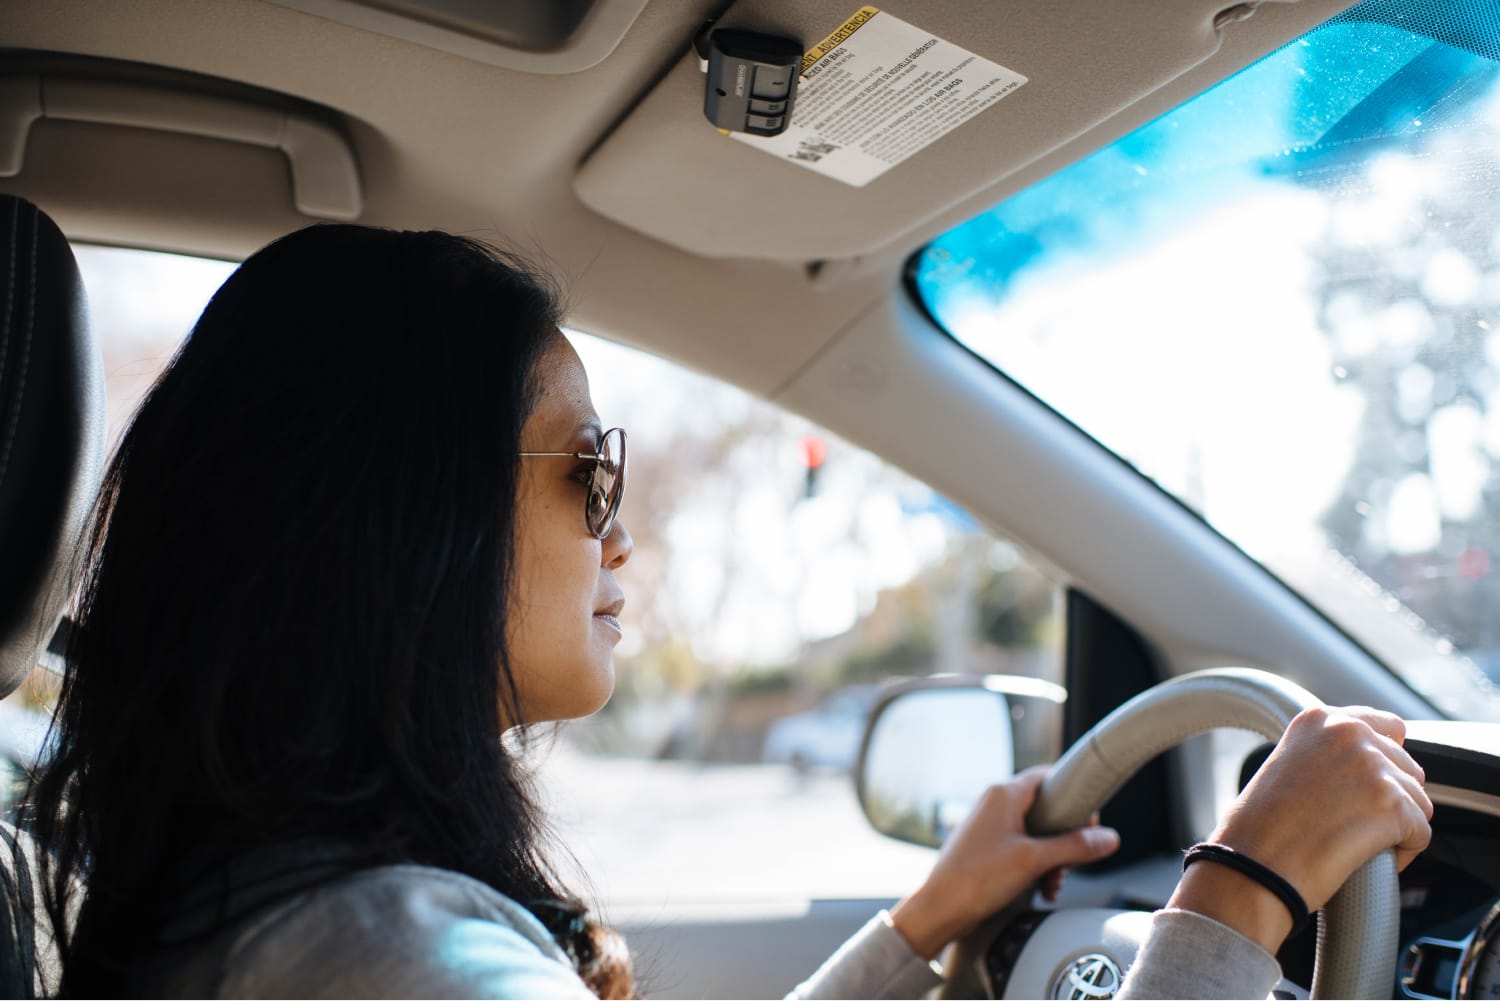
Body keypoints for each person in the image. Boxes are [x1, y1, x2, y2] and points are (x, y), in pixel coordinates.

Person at [27, 225, 1431, 999]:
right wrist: (1234, 903)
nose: (620, 525)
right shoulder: (405, 963)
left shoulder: (277, 905)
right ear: (402, 517)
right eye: (587, 466)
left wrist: (927, 919)